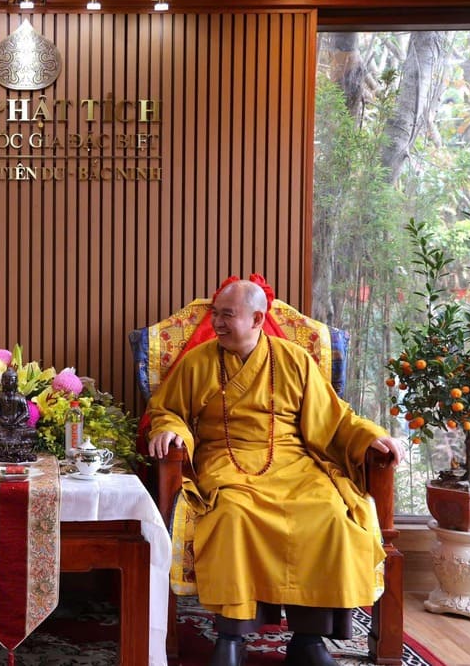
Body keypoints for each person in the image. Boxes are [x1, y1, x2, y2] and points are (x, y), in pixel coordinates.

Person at [147, 276, 404, 666]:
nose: (217, 322)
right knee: (231, 515)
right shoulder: (197, 362)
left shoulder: (294, 359)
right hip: (226, 460)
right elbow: (169, 412)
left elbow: (336, 420)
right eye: (216, 314)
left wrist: (371, 437)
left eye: (228, 315)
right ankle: (231, 636)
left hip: (294, 461)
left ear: (257, 319)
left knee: (333, 515)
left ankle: (309, 639)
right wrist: (170, 429)